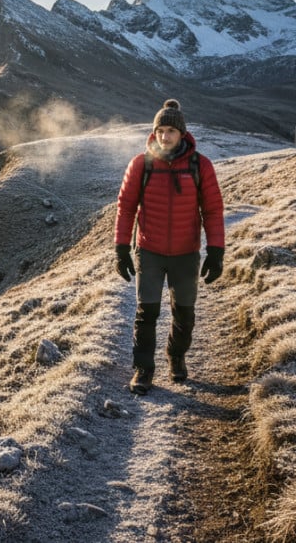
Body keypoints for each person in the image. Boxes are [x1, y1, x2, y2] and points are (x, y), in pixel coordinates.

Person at [113, 99, 225, 395]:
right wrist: (121, 248)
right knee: (146, 313)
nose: (165, 136)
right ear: (154, 132)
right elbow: (125, 208)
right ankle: (143, 369)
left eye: (171, 131)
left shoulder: (200, 166)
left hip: (186, 254)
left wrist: (216, 251)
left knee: (184, 313)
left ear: (182, 134)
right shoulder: (142, 164)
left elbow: (212, 210)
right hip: (149, 251)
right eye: (160, 130)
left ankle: (176, 357)